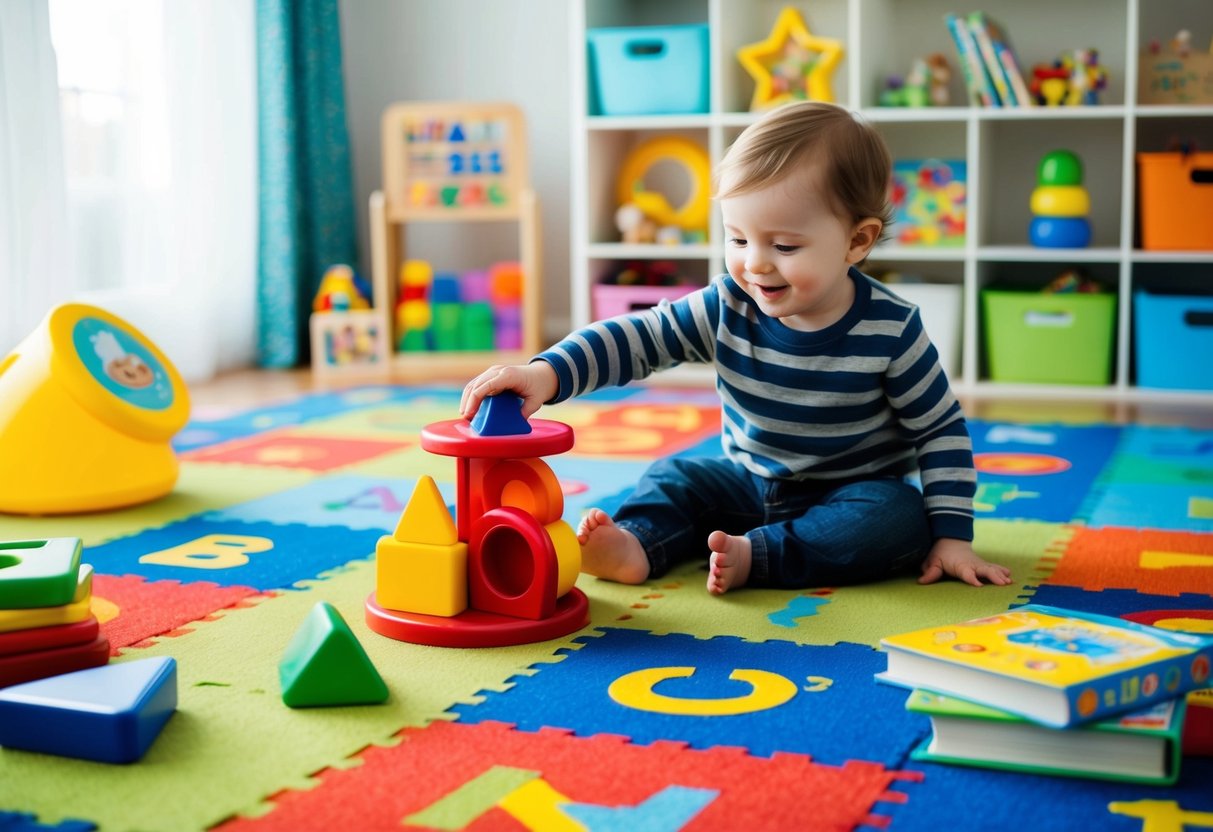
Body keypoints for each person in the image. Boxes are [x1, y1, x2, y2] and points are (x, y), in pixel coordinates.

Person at [461, 100, 1012, 596]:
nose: (755, 263)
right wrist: (547, 373)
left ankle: (762, 556)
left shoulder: (893, 329)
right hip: (745, 483)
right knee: (673, 476)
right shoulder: (729, 303)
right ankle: (636, 544)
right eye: (738, 238)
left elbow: (939, 431)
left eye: (785, 245)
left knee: (899, 517)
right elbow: (639, 336)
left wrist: (953, 538)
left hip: (848, 495)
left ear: (857, 241)